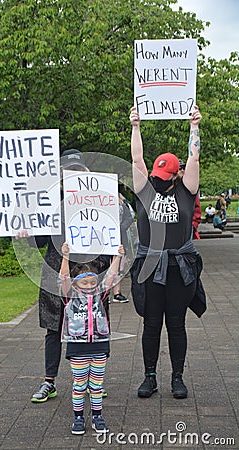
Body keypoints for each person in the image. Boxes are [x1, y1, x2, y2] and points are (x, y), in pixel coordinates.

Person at [17, 149, 111, 403]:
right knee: (53, 327)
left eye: (79, 171)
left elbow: (112, 233)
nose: (74, 176)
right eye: (69, 172)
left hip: (90, 271)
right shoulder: (49, 203)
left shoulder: (99, 200)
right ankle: (50, 381)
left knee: (94, 326)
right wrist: (25, 237)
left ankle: (94, 382)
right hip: (55, 269)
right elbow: (39, 241)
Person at [129, 105, 206, 400]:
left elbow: (194, 156)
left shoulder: (186, 190)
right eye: (156, 173)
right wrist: (135, 126)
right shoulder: (145, 189)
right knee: (151, 324)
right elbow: (137, 157)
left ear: (176, 175)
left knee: (176, 323)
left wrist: (194, 126)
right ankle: (149, 376)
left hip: (179, 269)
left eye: (164, 174)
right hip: (150, 267)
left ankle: (177, 377)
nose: (158, 179)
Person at [60, 242, 124, 434]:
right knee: (79, 385)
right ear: (75, 283)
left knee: (96, 385)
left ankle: (97, 416)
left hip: (99, 345)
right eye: (84, 282)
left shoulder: (100, 294)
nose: (89, 286)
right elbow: (63, 277)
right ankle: (78, 418)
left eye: (92, 282)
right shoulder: (69, 295)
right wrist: (65, 256)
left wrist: (117, 256)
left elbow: (111, 276)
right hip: (77, 346)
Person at [112, 191, 134, 303]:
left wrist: (121, 228)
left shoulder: (120, 201)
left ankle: (117, 292)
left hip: (120, 238)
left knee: (119, 267)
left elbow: (129, 217)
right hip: (100, 238)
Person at [178, 160, 201, 239]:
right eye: (180, 168)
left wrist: (193, 224)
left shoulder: (190, 186)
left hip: (187, 226)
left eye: (184, 168)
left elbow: (197, 207)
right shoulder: (167, 186)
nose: (182, 170)